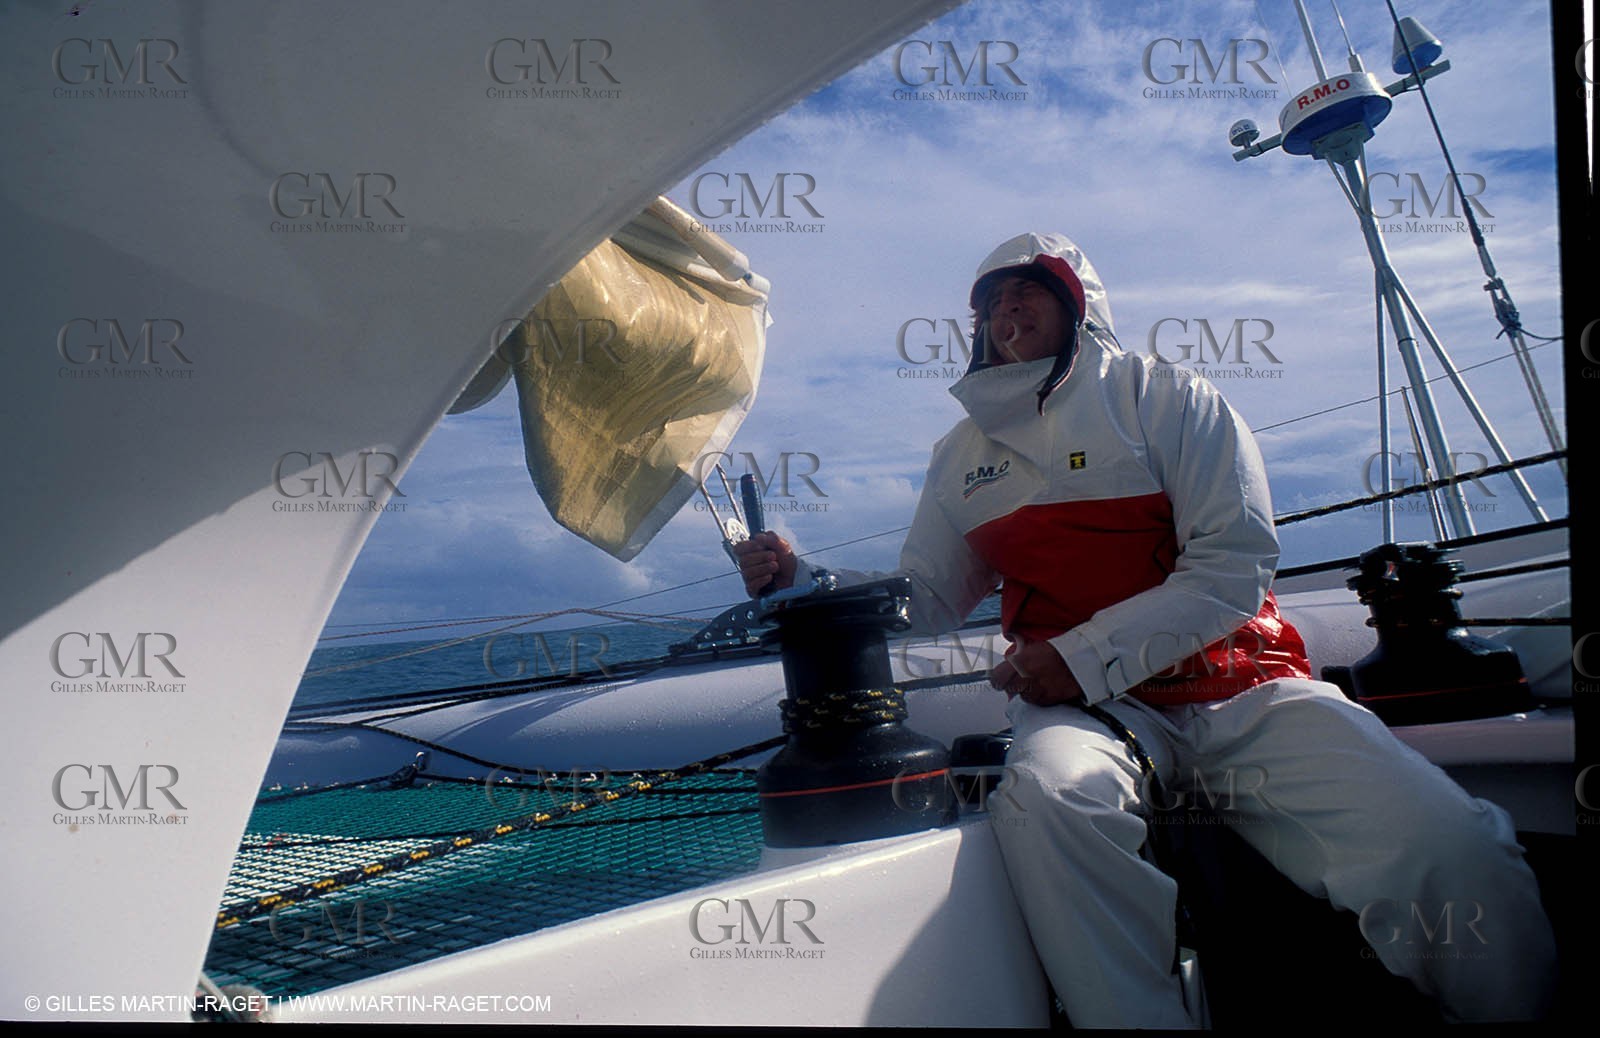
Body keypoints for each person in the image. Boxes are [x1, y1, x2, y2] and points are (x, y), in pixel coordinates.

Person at [733, 232, 1557, 1027]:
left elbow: (1235, 565)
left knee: (1452, 845)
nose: (1006, 310)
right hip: (1093, 714)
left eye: (1028, 290)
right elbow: (928, 598)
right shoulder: (959, 456)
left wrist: (1079, 657)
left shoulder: (1171, 398)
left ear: (1078, 303)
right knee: (1049, 800)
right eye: (991, 301)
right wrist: (805, 581)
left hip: (1245, 685)